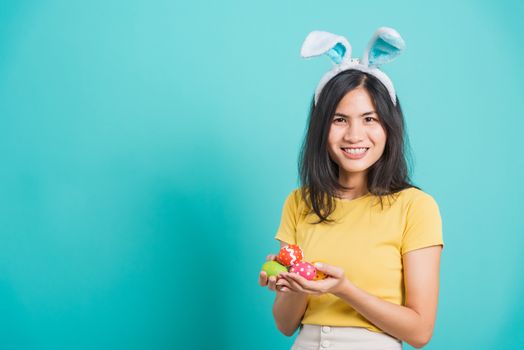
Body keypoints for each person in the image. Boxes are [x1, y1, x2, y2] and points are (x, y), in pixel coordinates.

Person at [258, 28, 444, 350]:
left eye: (369, 119)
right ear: (321, 127)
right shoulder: (300, 203)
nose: (354, 135)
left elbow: (420, 332)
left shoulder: (415, 207)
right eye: (340, 119)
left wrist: (345, 289)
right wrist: (296, 283)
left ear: (389, 126)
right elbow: (285, 325)